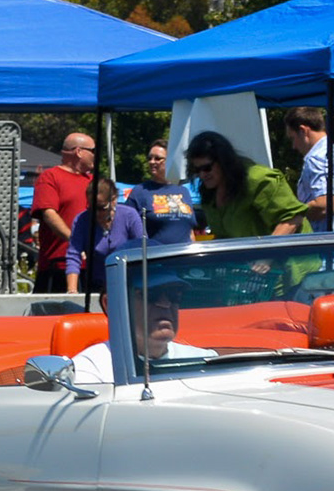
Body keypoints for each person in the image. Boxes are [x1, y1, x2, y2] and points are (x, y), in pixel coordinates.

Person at [68, 270, 216, 382]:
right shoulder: (88, 371)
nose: (165, 304)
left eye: (174, 295)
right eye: (150, 294)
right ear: (112, 304)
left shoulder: (205, 361)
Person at [185, 130, 309, 240]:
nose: (202, 175)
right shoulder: (208, 192)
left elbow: (293, 218)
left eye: (207, 168)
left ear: (223, 161)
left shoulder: (258, 179)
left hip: (295, 257)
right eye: (197, 170)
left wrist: (266, 253)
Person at [32, 131, 97, 291]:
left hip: (90, 268)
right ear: (79, 152)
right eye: (93, 151)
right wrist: (75, 241)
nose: (95, 156)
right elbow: (49, 213)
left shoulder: (93, 181)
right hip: (58, 266)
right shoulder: (50, 177)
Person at [285, 107, 334, 233]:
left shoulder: (316, 158)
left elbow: (325, 205)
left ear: (303, 130)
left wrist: (293, 212)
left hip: (322, 240)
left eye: (293, 138)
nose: (294, 146)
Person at [66, 176, 145, 297]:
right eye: (91, 207)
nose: (95, 213)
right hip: (95, 286)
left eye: (101, 208)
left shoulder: (129, 215)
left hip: (129, 284)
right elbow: (73, 255)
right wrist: (72, 290)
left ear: (114, 200)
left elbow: (143, 250)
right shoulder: (81, 220)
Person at [125, 138, 196, 246]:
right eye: (150, 158)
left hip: (184, 255)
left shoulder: (183, 191)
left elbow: (190, 231)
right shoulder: (139, 192)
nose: (152, 162)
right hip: (156, 254)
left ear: (169, 160)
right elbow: (126, 226)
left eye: (157, 158)